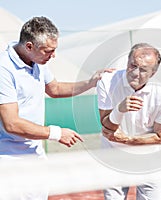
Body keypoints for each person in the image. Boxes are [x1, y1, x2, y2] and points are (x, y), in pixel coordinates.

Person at [0, 16, 113, 199]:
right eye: (48, 51)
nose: (53, 56)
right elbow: (11, 124)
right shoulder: (3, 69)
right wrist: (56, 133)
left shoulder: (37, 62)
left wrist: (90, 82)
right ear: (29, 46)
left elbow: (55, 88)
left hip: (35, 153)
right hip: (7, 159)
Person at [97, 43, 161, 200]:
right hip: (113, 157)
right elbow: (106, 126)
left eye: (143, 70)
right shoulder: (107, 81)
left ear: (153, 73)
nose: (135, 73)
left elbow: (160, 137)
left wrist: (128, 140)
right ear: (127, 61)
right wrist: (120, 109)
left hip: (149, 158)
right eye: (132, 65)